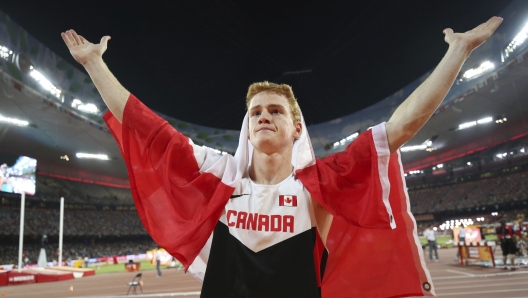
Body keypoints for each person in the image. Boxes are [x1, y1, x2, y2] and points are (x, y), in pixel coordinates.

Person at [61, 15, 502, 297]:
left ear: (296, 127)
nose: (263, 116)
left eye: (275, 110)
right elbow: (147, 129)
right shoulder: (219, 174)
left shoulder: (320, 183)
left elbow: (401, 125)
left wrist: (458, 52)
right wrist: (94, 64)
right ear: (247, 126)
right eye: (256, 112)